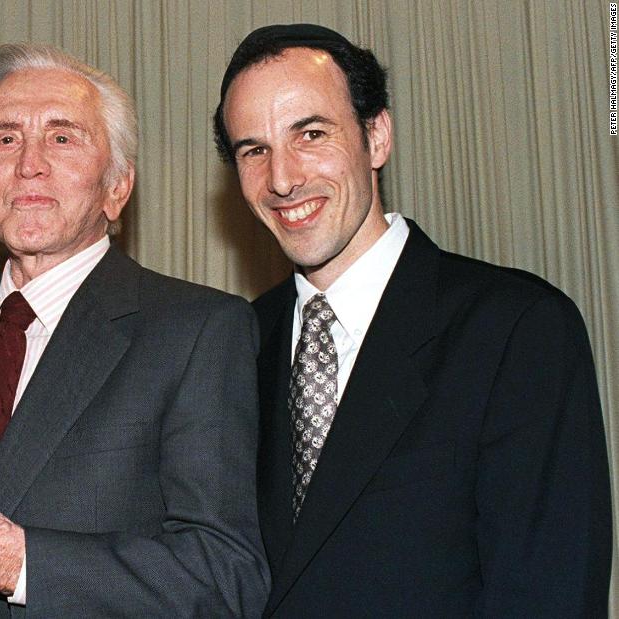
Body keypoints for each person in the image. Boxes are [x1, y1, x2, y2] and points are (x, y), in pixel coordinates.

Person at [0, 43, 270, 616]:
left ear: (117, 188)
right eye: (5, 138)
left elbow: (226, 577)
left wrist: (18, 564)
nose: (29, 163)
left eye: (63, 137)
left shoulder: (197, 333)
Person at [214, 23, 611, 616]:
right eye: (255, 150)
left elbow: (549, 592)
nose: (282, 178)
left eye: (311, 134)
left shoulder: (516, 328)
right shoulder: (230, 345)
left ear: (376, 137)